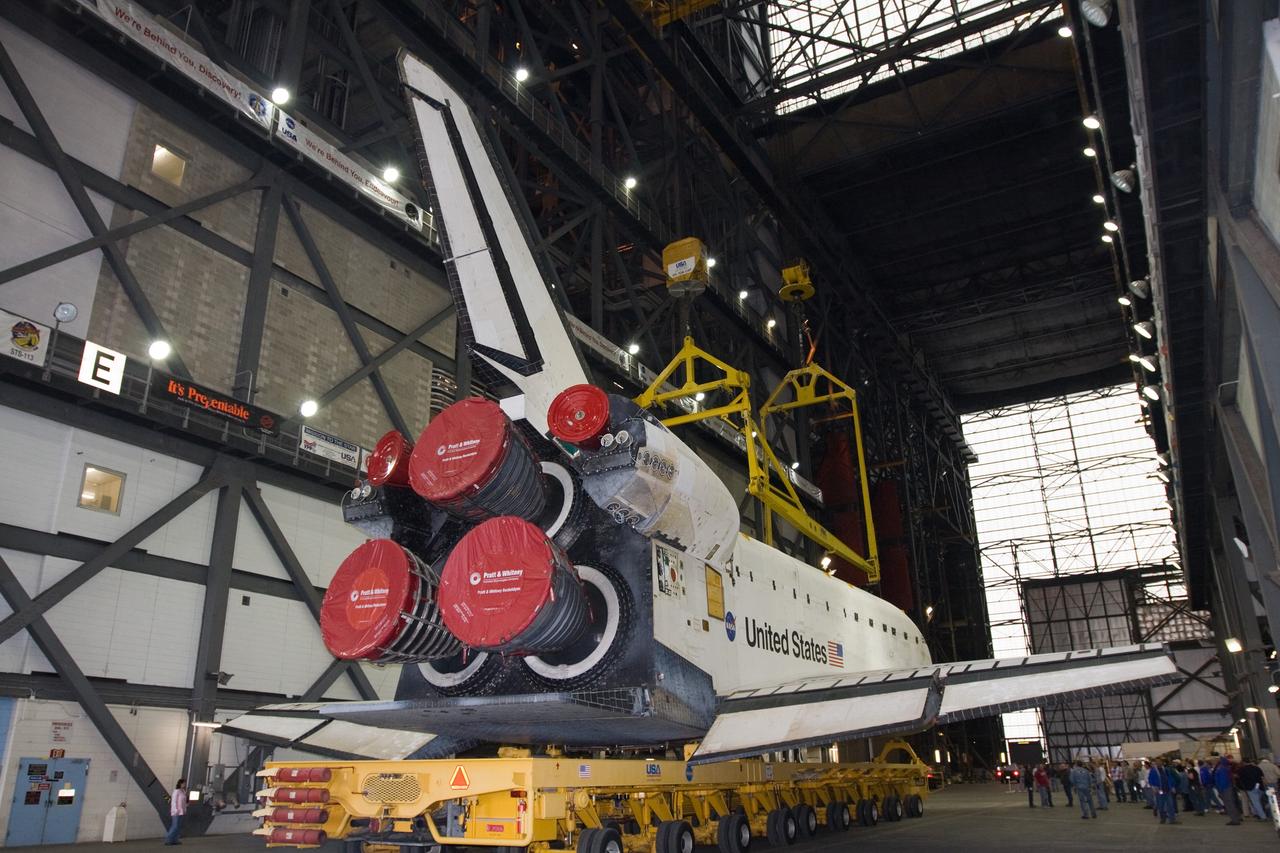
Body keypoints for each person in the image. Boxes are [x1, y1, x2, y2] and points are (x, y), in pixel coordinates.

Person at [1148, 758, 1179, 824]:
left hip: (1167, 790)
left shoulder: (1166, 770)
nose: (1159, 763)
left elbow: (1170, 778)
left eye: (1160, 761)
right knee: (1161, 806)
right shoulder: (1153, 771)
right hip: (1159, 791)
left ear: (1162, 762)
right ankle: (1163, 818)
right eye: (1157, 762)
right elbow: (1150, 779)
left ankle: (1172, 820)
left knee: (1170, 805)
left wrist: (1172, 787)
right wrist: (1153, 787)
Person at [1215, 754, 1242, 825]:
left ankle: (1235, 820)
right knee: (1232, 803)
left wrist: (1220, 790)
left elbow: (1222, 781)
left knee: (1229, 804)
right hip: (1228, 787)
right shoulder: (1226, 768)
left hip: (1225, 789)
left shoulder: (1221, 769)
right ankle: (1237, 817)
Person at [165, 778, 187, 845]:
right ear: (180, 783)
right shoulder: (176, 791)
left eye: (185, 783)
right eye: (183, 783)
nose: (185, 784)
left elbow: (184, 802)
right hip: (176, 812)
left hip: (182, 812)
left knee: (179, 826)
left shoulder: (183, 791)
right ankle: (168, 840)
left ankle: (175, 840)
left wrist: (185, 809)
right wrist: (175, 810)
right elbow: (173, 801)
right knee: (175, 826)